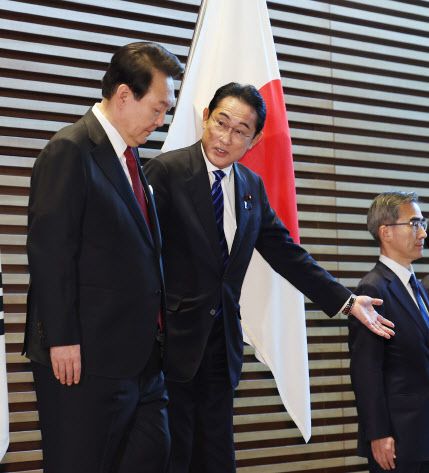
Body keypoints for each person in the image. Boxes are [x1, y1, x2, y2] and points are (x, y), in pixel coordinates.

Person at [144, 82, 395, 473]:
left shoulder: (251, 186)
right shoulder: (166, 171)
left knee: (217, 459)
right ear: (206, 118)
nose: (226, 138)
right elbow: (141, 255)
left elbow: (287, 254)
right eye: (221, 123)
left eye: (240, 131)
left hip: (221, 347)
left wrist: (347, 301)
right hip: (169, 347)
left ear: (255, 139)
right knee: (172, 458)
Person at [23, 42, 182, 473]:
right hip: (84, 361)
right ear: (124, 95)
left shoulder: (130, 159)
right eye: (158, 108)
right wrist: (61, 338)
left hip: (141, 362)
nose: (161, 121)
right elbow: (51, 251)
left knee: (153, 454)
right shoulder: (70, 150)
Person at [349, 191, 429, 473]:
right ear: (386, 232)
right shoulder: (373, 289)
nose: (423, 232)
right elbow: (366, 369)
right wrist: (378, 433)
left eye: (422, 223)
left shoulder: (418, 287)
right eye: (414, 223)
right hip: (398, 438)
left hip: (422, 434)